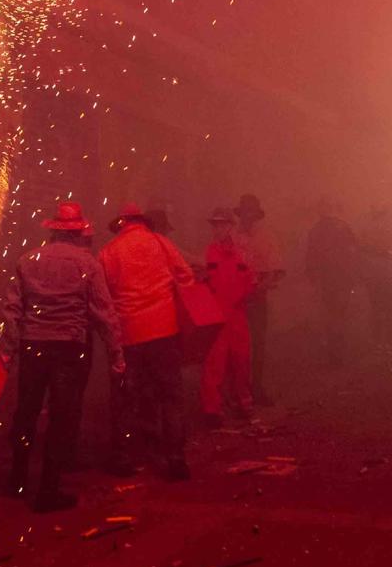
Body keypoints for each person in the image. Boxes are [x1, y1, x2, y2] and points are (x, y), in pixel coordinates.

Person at [1, 202, 122, 512]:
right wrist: (115, 354)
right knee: (61, 416)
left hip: (32, 344)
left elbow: (13, 310)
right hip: (69, 346)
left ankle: (17, 477)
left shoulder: (28, 260)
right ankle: (48, 490)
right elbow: (104, 314)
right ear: (79, 232)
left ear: (53, 230)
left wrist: (7, 350)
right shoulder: (88, 264)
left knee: (26, 410)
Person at [98, 204, 195, 480]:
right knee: (171, 396)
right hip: (164, 331)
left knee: (125, 398)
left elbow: (102, 292)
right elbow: (186, 278)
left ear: (122, 223)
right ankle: (176, 459)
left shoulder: (109, 251)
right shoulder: (161, 243)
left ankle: (123, 458)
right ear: (143, 221)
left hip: (128, 334)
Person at [199, 209, 256, 427]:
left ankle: (243, 403)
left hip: (236, 314)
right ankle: (211, 410)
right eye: (215, 225)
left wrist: (242, 297)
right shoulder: (209, 252)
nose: (217, 229)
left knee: (241, 360)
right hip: (217, 316)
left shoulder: (242, 252)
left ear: (230, 226)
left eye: (221, 225)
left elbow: (250, 280)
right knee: (214, 363)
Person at [232, 194, 283, 405]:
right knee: (237, 345)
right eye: (245, 212)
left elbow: (276, 267)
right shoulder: (232, 236)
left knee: (258, 344)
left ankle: (256, 386)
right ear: (241, 214)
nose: (248, 216)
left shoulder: (267, 236)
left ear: (256, 214)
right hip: (236, 297)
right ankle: (239, 389)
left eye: (251, 212)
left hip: (258, 295)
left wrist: (263, 284)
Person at [305, 202, 360, 366]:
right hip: (338, 278)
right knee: (337, 314)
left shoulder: (317, 229)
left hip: (331, 279)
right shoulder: (341, 227)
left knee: (331, 314)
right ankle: (337, 350)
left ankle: (334, 350)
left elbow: (311, 256)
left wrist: (313, 276)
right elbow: (353, 252)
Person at [360, 207, 392, 352]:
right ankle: (385, 341)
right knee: (387, 309)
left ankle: (381, 341)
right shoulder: (380, 235)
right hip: (384, 277)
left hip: (383, 277)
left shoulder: (372, 235)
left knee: (380, 309)